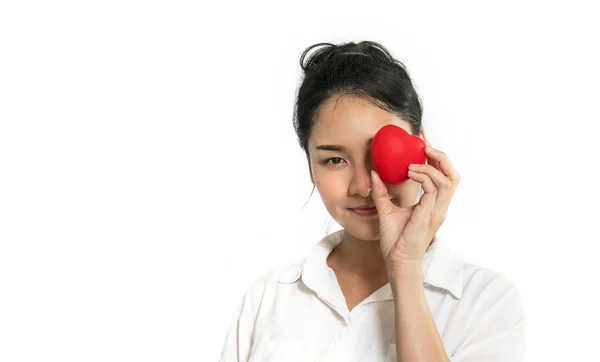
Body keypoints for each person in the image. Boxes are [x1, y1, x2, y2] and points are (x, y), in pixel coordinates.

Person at [219, 41, 524, 362]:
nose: (364, 186)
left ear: (422, 146)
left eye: (379, 153)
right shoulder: (269, 297)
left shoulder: (485, 300)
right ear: (310, 165)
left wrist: (405, 268)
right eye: (334, 160)